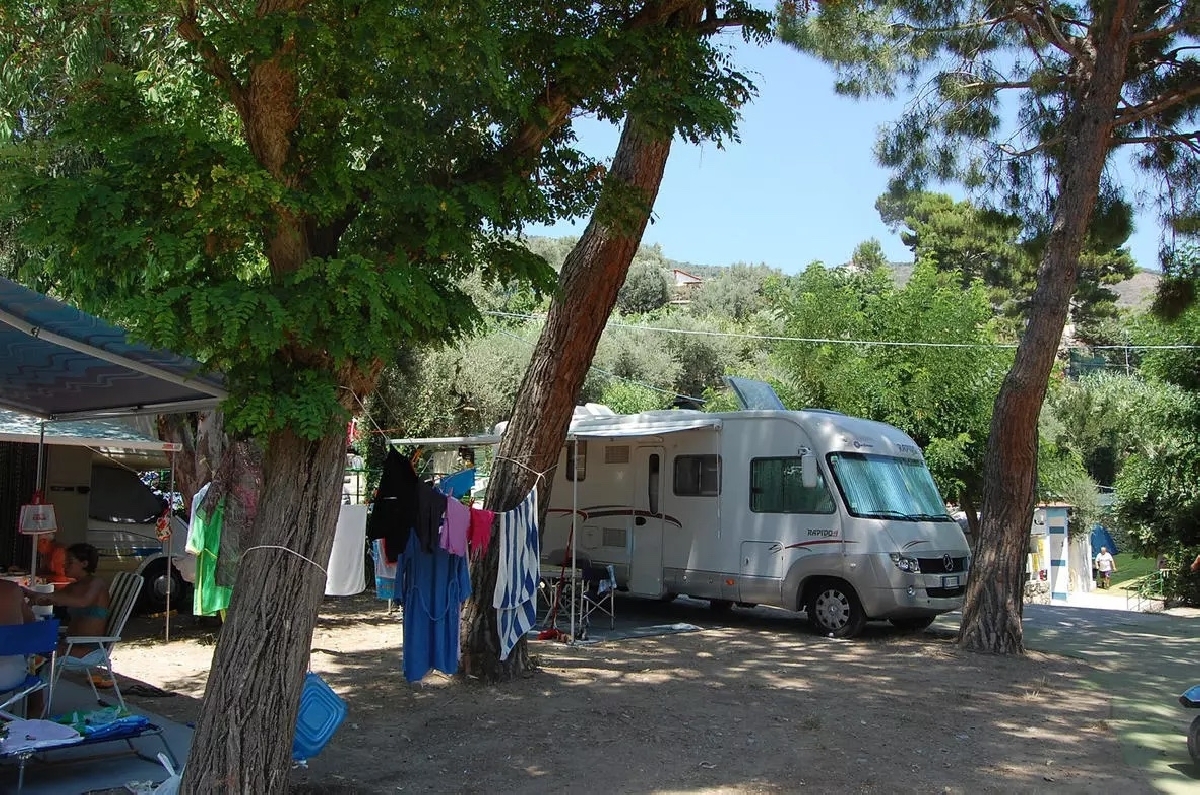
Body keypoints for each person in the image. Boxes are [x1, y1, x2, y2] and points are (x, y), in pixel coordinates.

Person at [0, 578, 37, 692]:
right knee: (36, 661)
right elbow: (31, 623)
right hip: (10, 674)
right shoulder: (12, 588)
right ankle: (35, 702)